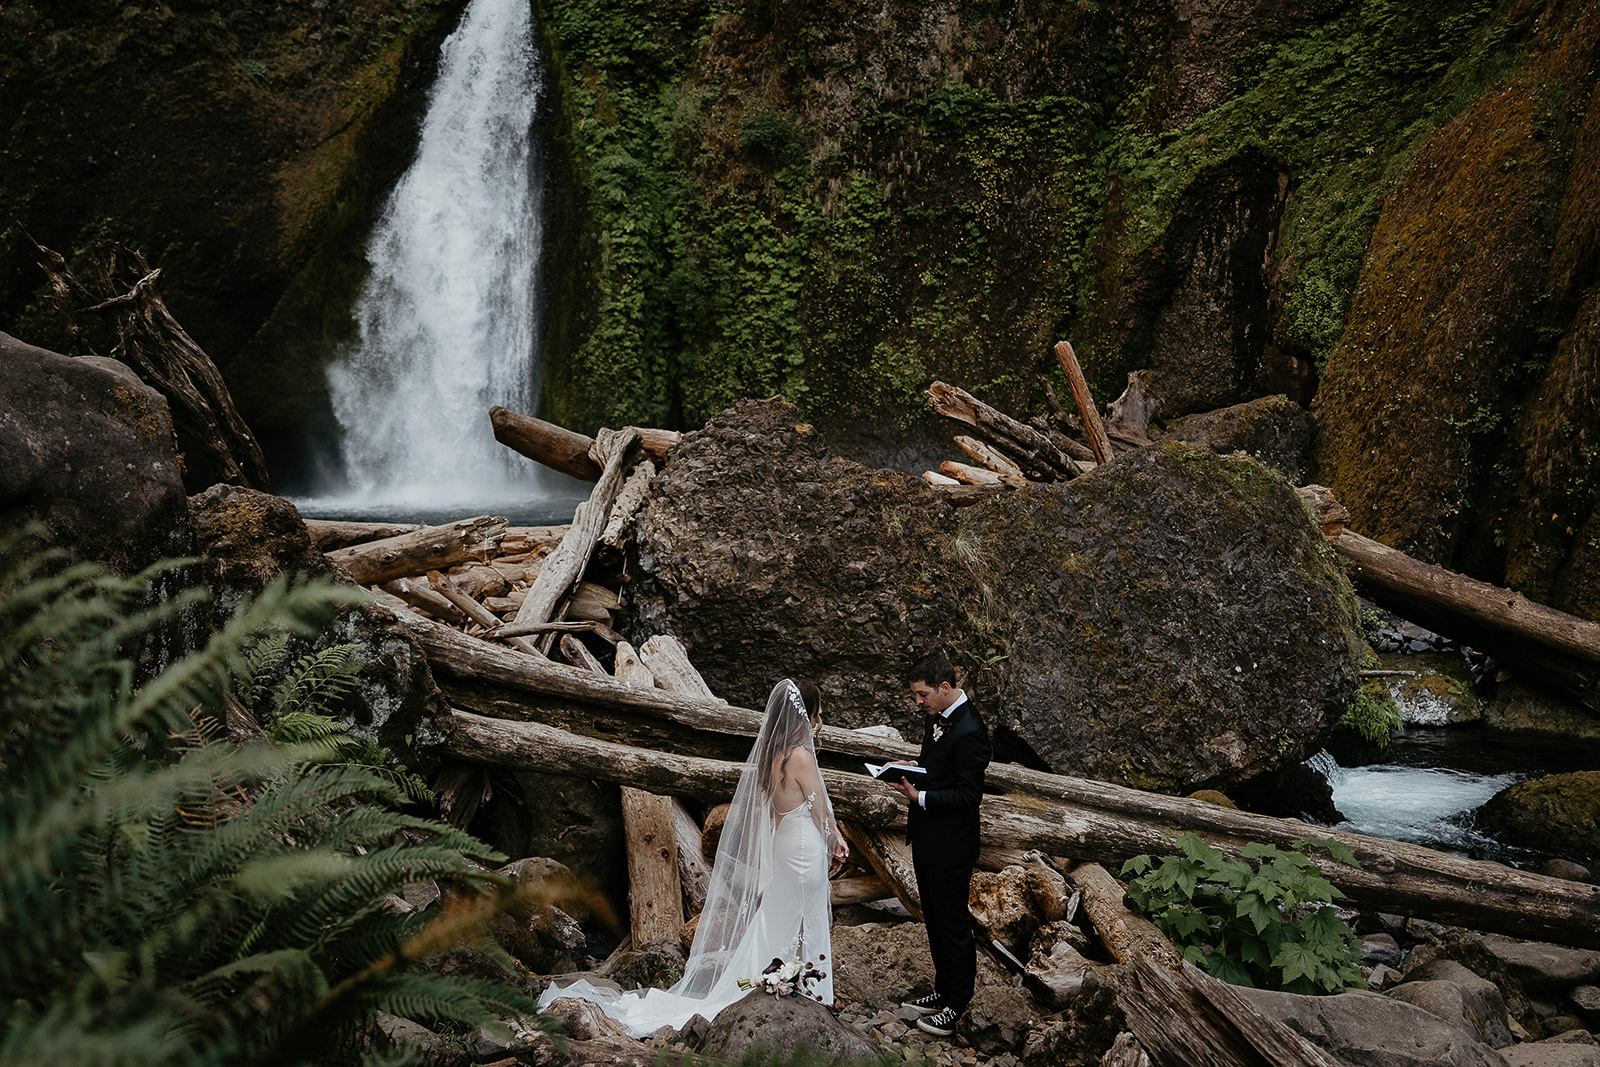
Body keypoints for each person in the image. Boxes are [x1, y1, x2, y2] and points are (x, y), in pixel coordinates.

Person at [538, 678, 848, 1037]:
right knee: (804, 915)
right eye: (817, 714)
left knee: (778, 916)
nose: (818, 721)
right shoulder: (801, 756)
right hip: (803, 848)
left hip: (784, 845)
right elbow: (821, 811)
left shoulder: (773, 756)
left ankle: (777, 983)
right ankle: (809, 990)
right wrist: (836, 840)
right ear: (804, 715)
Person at [887, 652, 991, 1038]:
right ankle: (944, 990)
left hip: (952, 845)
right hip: (928, 839)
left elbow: (969, 797)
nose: (919, 702)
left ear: (945, 688)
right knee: (933, 919)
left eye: (922, 694)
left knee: (953, 925)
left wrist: (922, 798)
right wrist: (910, 770)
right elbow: (936, 768)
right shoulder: (937, 719)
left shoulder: (971, 730)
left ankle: (957, 1004)